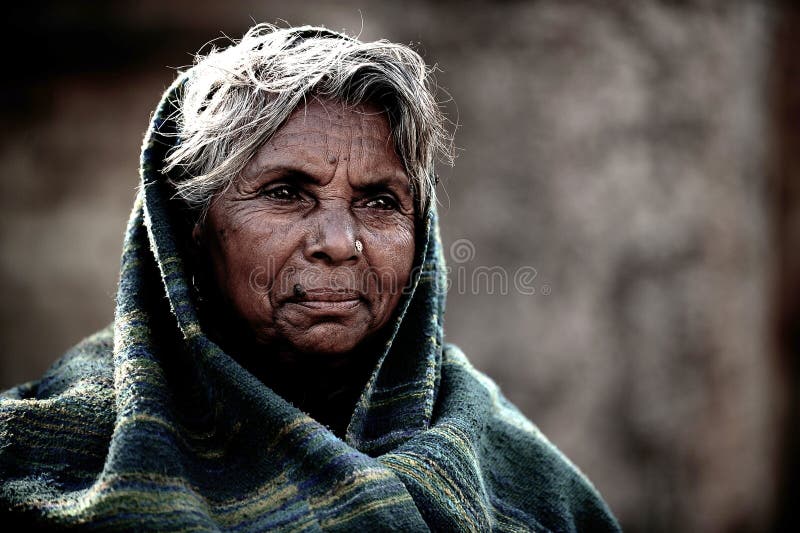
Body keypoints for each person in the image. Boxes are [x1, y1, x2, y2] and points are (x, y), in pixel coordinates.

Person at [0, 24, 620, 531]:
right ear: (190, 226)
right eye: (287, 192)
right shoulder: (43, 455)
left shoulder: (515, 477)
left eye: (379, 202)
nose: (339, 244)